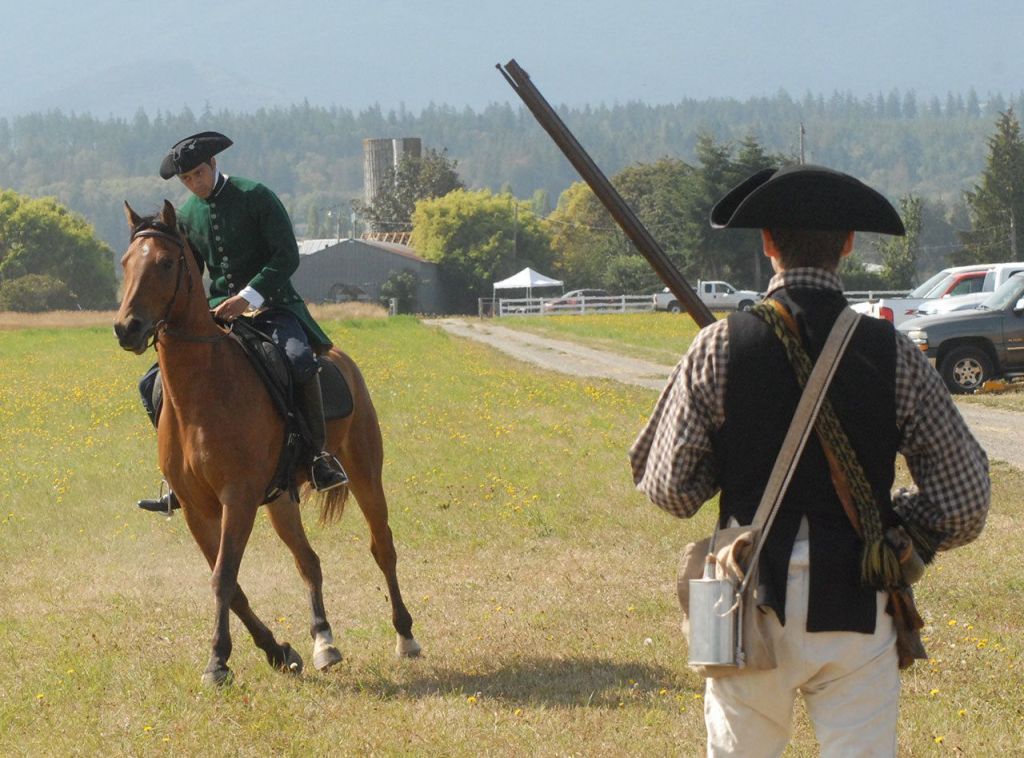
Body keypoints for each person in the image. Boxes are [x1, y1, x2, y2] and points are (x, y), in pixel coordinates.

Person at [630, 164, 990, 756]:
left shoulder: (719, 344)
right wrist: (889, 520)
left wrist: (732, 451)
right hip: (857, 604)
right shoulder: (893, 353)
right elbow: (966, 504)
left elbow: (670, 489)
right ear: (847, 245)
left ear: (768, 243)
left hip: (745, 601)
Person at [137, 131, 347, 512]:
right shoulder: (186, 216)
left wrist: (248, 297)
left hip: (275, 307)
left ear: (214, 164)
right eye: (186, 180)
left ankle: (317, 459)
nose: (194, 184)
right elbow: (189, 274)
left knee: (300, 362)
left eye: (198, 174)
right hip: (218, 314)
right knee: (151, 382)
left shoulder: (256, 196)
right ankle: (178, 477)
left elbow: (286, 256)